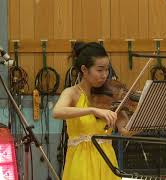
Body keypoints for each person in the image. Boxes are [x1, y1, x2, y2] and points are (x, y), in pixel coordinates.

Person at [53, 42, 130, 180]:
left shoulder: (111, 96)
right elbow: (57, 112)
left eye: (107, 70)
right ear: (84, 69)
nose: (105, 75)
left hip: (107, 162)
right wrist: (92, 110)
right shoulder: (72, 93)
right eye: (100, 70)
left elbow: (125, 130)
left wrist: (148, 119)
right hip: (80, 163)